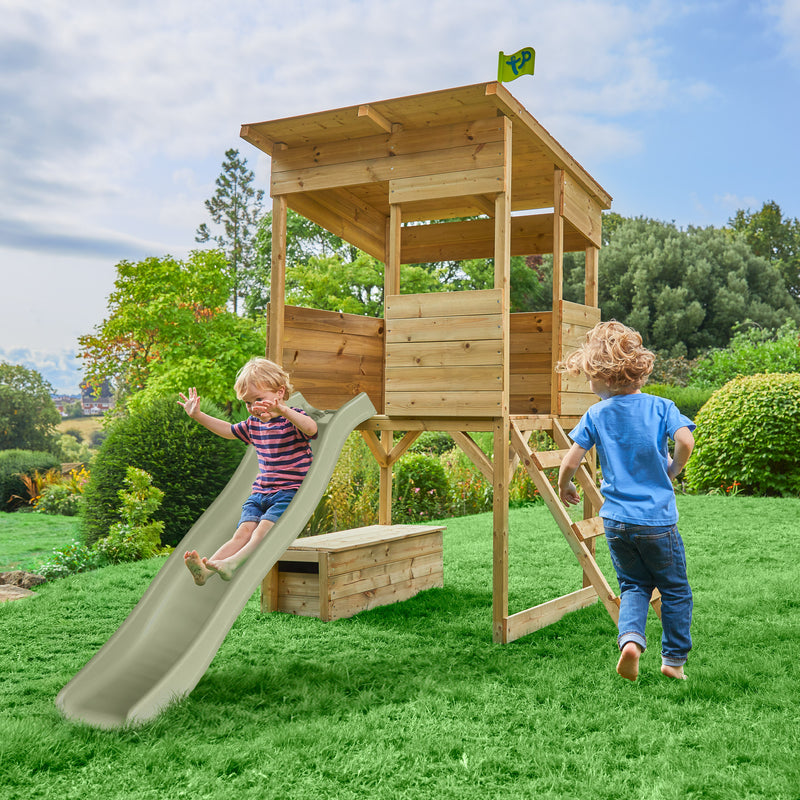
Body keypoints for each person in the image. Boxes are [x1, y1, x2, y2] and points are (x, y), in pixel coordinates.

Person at [556, 321, 695, 681]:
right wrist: (673, 468)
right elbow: (686, 442)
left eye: (589, 376)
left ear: (604, 378)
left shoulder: (596, 414)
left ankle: (631, 642)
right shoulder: (662, 407)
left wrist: (564, 487)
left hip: (616, 521)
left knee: (633, 586)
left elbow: (570, 461)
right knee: (675, 589)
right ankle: (673, 660)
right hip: (657, 521)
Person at [178, 357, 318, 585]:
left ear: (279, 393)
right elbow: (228, 430)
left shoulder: (291, 419)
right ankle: (206, 571)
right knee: (241, 534)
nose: (253, 407)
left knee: (261, 531)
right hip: (259, 494)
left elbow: (311, 428)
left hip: (288, 493)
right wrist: (197, 415)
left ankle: (232, 564)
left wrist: (282, 409)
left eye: (259, 399)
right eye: (248, 403)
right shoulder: (254, 426)